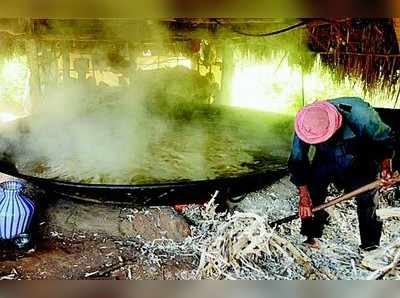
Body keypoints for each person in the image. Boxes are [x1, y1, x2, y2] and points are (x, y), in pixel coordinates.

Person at [288, 97, 395, 251]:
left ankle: (370, 245)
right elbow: (297, 160)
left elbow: (384, 139)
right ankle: (310, 236)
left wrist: (386, 166)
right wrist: (304, 196)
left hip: (361, 157)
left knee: (367, 199)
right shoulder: (305, 122)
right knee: (314, 191)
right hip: (325, 157)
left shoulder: (360, 113)